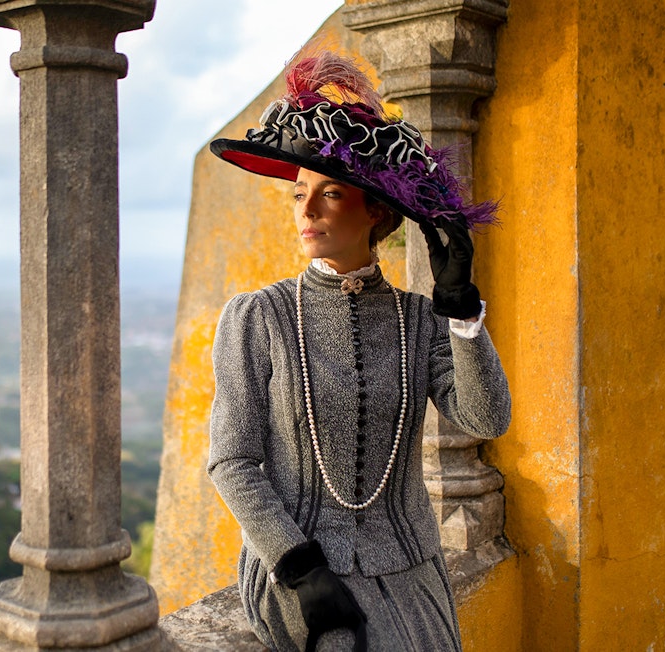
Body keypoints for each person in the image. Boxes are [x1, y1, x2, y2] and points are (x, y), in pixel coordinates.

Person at [206, 47, 511, 651]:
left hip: (414, 573)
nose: (308, 211)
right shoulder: (257, 317)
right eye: (299, 194)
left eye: (331, 194)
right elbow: (231, 462)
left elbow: (486, 417)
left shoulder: (420, 320)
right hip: (301, 574)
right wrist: (299, 566)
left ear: (375, 210)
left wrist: (463, 312)